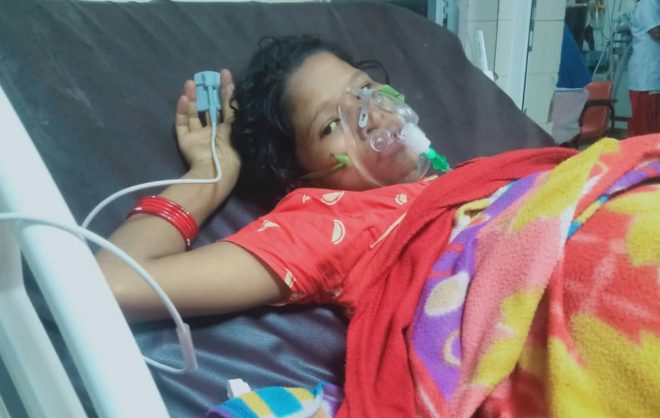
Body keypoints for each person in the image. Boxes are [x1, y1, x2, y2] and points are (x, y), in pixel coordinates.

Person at [97, 35, 660, 417]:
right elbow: (112, 283)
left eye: (363, 90)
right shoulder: (327, 218)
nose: (369, 114)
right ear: (301, 176)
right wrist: (210, 174)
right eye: (330, 125)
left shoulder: (474, 181)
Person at [627, 0, 660, 136]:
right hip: (646, 78)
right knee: (645, 130)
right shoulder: (648, 3)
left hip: (651, 76)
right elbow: (656, 32)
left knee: (653, 128)